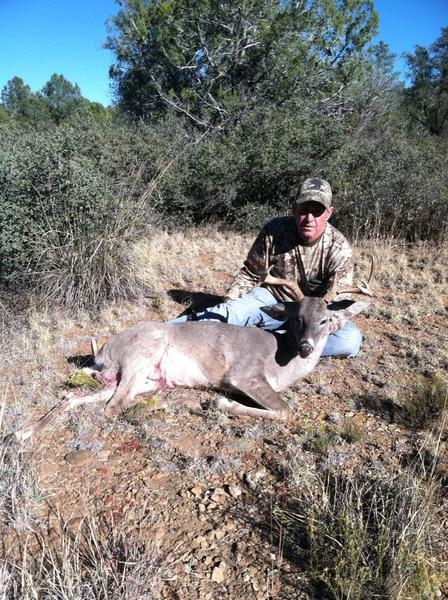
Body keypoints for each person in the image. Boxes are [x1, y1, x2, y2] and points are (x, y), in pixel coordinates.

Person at [170, 177, 362, 358]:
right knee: (232, 313)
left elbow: (340, 303)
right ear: (294, 209)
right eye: (304, 210)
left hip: (315, 317)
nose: (309, 218)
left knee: (349, 341)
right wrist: (231, 301)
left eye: (317, 212)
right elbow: (251, 273)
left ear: (329, 213)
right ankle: (166, 331)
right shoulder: (275, 230)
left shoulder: (339, 247)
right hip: (275, 302)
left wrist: (318, 325)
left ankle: (267, 340)